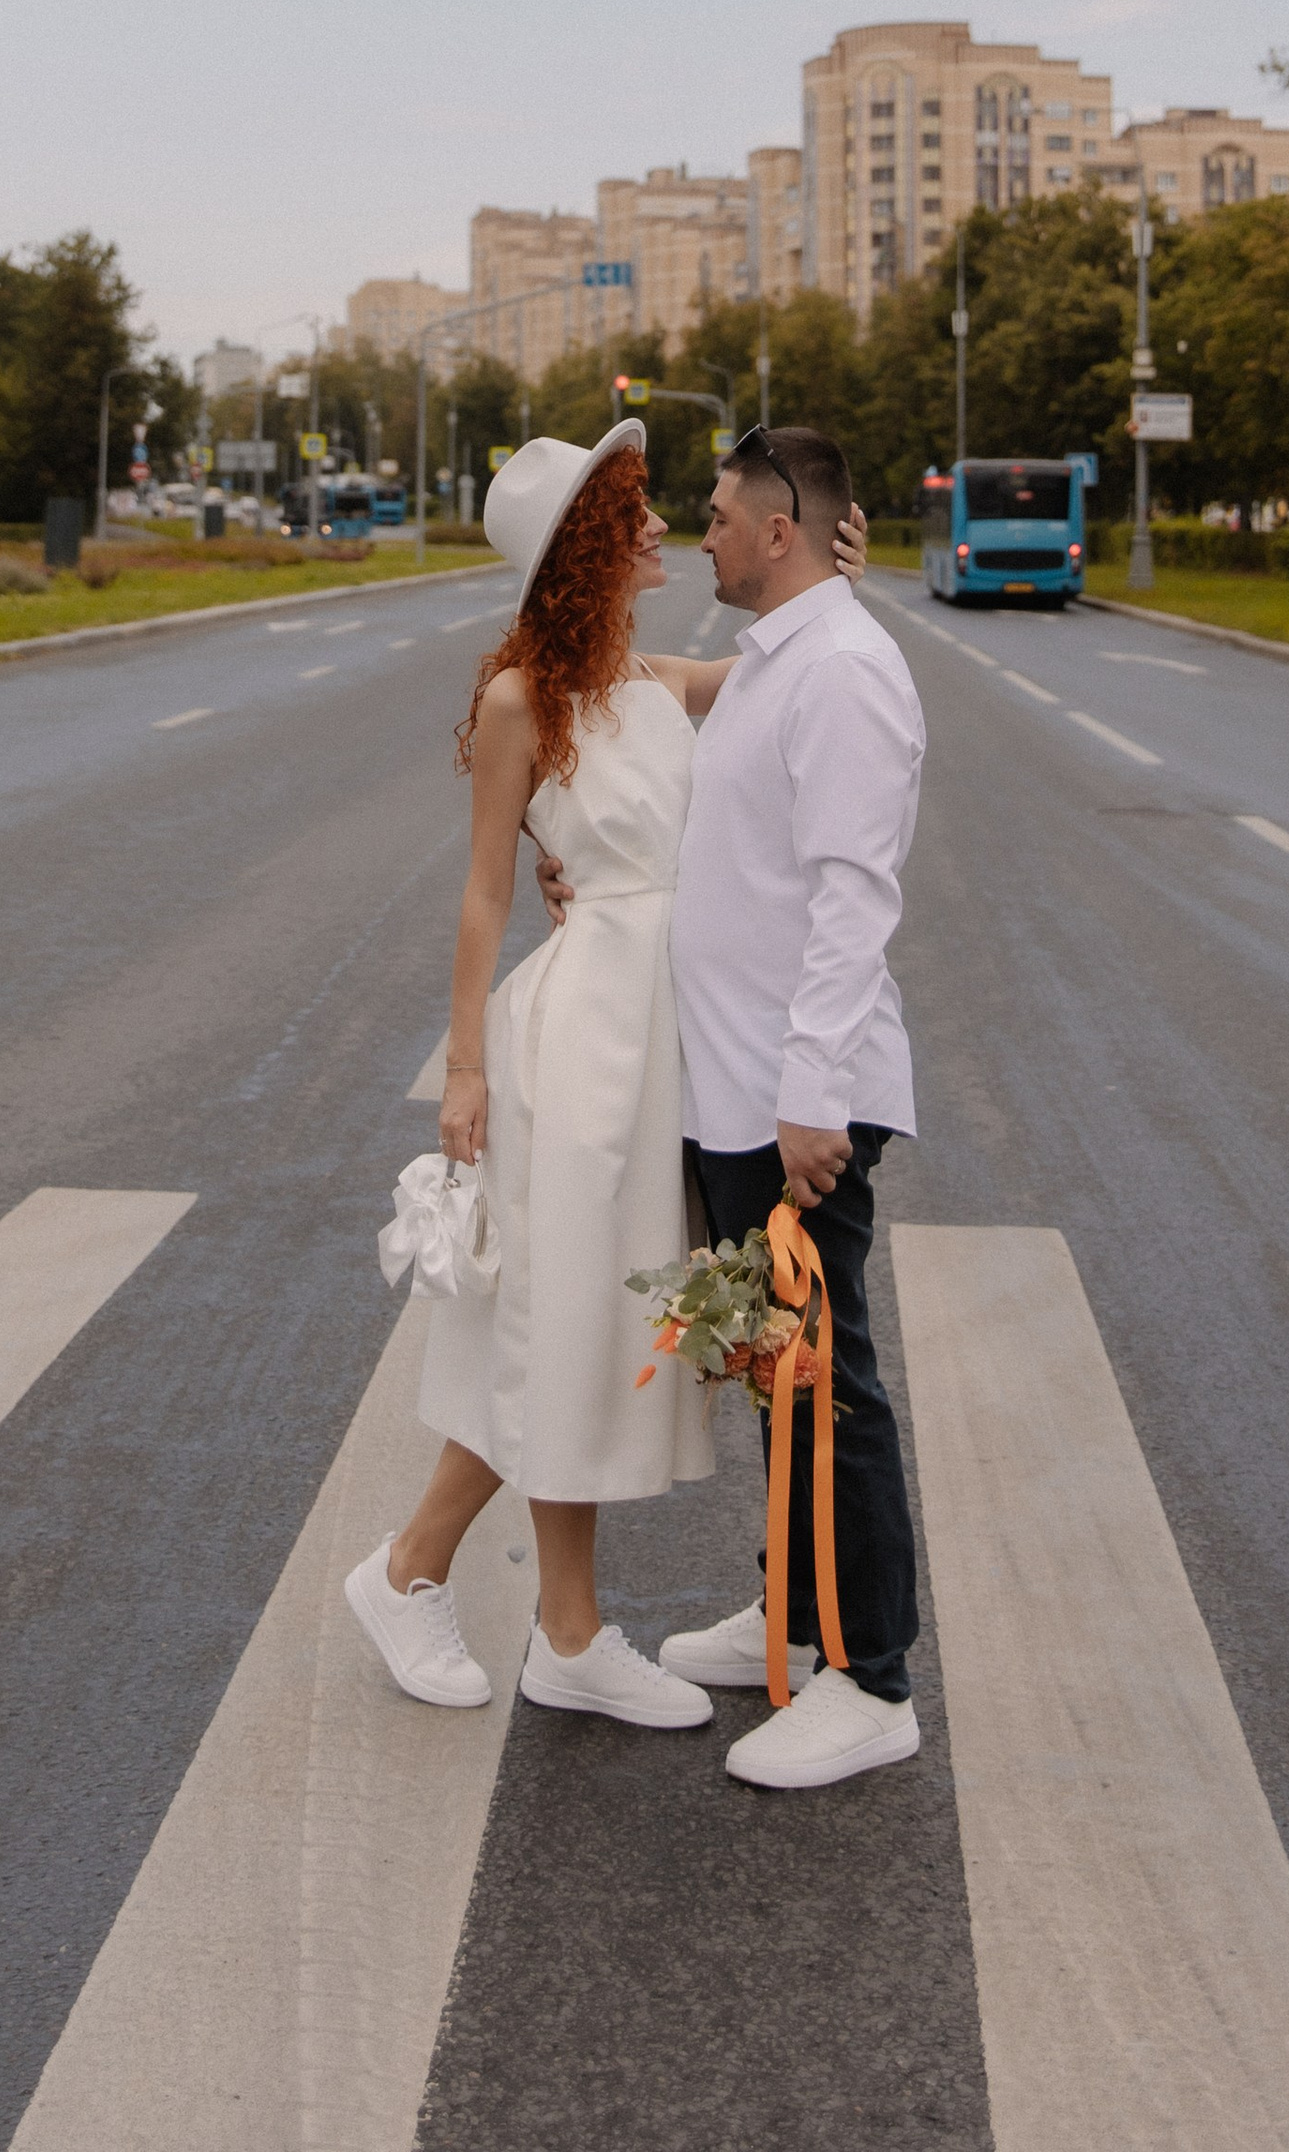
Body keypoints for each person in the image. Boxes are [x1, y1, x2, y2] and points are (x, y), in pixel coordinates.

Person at [345, 420, 871, 1732]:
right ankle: (432, 1579)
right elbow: (478, 897)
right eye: (630, 514)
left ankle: (546, 1626)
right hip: (577, 1044)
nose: (658, 530)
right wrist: (462, 1067)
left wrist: (846, 586)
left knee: (580, 1328)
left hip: (669, 1039)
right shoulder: (528, 700)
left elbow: (785, 674)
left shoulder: (657, 681)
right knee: (563, 1318)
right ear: (584, 547)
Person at [652, 424, 928, 1790]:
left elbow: (852, 894)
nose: (698, 532)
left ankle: (869, 1679)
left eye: (713, 515)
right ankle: (795, 1610)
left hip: (794, 1097)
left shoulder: (847, 672)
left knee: (833, 1389)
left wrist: (815, 1098)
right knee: (779, 1371)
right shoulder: (779, 659)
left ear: (777, 531)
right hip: (739, 1086)